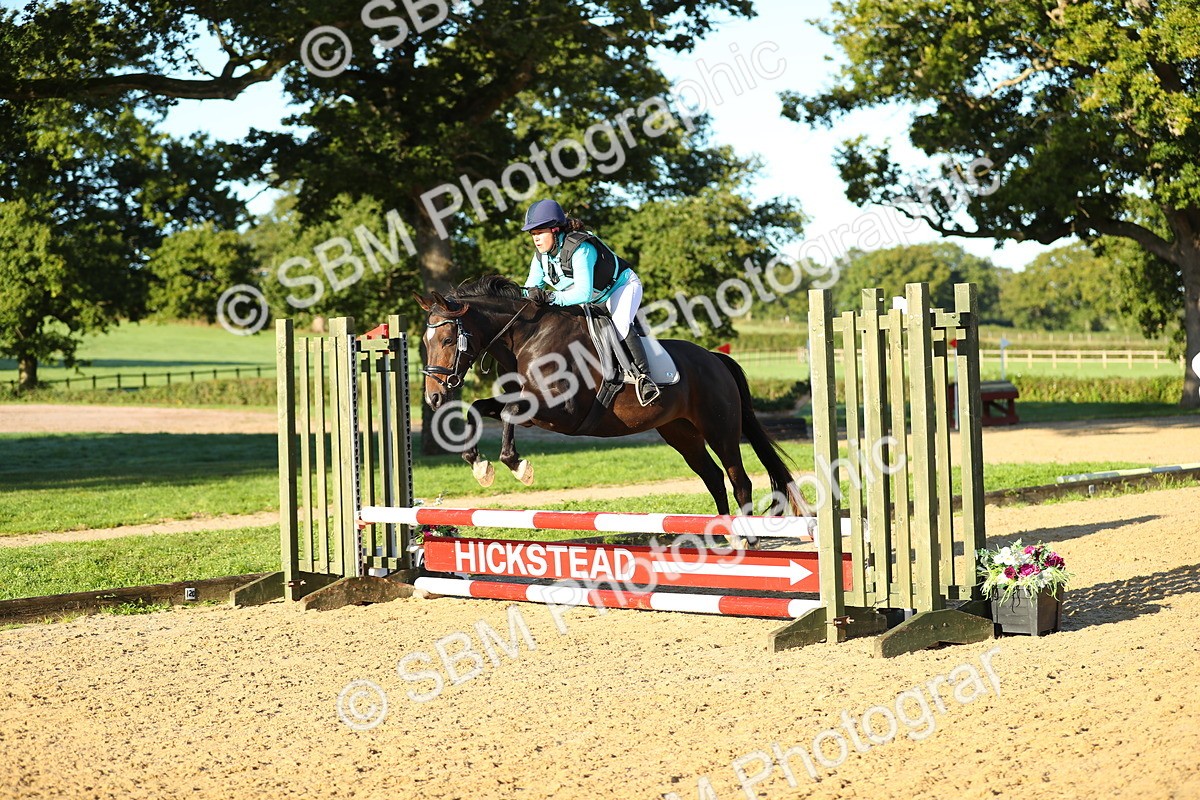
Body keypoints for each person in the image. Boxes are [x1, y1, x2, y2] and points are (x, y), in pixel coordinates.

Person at [519, 198, 660, 405]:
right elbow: (529, 290)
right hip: (594, 297)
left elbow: (583, 293)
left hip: (620, 288)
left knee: (620, 324)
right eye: (533, 234)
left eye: (540, 233)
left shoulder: (580, 248)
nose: (536, 239)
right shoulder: (541, 258)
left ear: (555, 230)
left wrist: (549, 296)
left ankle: (644, 379)